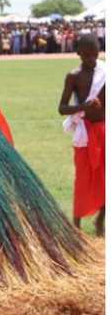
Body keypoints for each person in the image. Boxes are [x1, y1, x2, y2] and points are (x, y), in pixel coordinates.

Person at [59, 33, 105, 235]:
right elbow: (62, 108)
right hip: (85, 133)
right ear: (78, 54)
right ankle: (76, 226)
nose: (91, 59)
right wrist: (82, 106)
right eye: (86, 55)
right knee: (83, 178)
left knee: (105, 177)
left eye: (94, 55)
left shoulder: (105, 73)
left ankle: (100, 223)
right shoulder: (73, 76)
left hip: (103, 130)